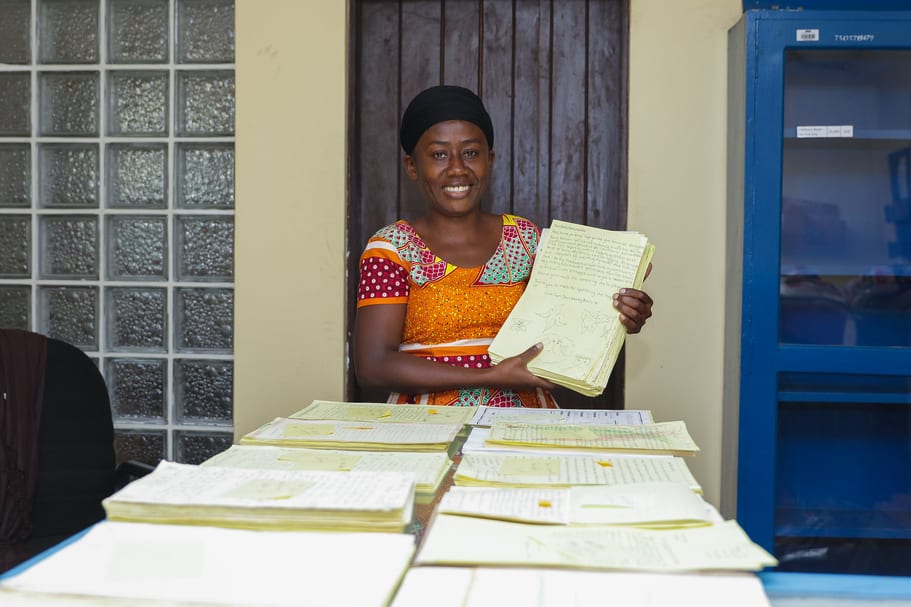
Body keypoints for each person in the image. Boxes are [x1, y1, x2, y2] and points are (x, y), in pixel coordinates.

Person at [353, 85, 653, 408]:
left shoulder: (526, 239)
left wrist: (619, 314)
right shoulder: (392, 249)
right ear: (412, 166)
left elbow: (572, 323)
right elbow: (372, 366)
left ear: (490, 160)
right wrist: (489, 377)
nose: (457, 167)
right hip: (425, 433)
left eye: (471, 152)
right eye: (439, 154)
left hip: (526, 429)